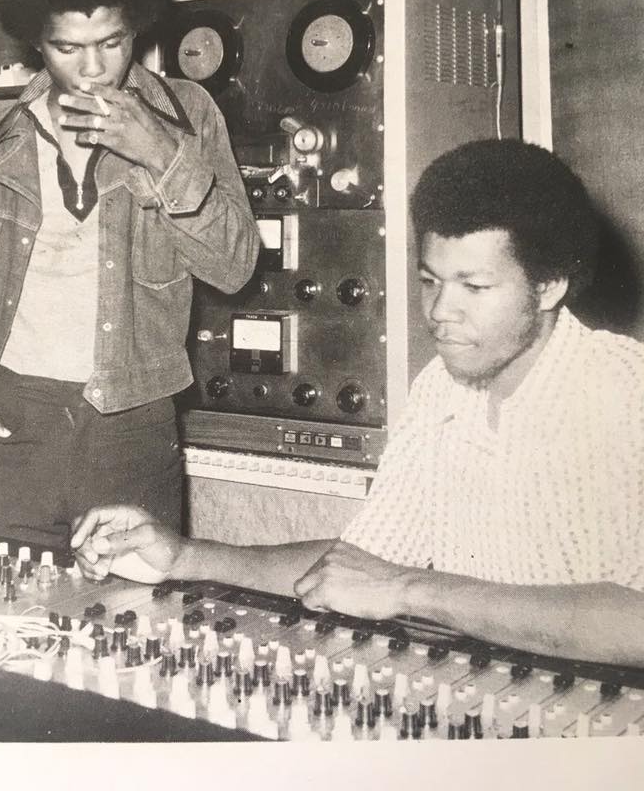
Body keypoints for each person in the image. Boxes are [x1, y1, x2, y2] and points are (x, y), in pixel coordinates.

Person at [72, 138, 644, 668]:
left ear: (549, 286)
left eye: (474, 287)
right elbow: (360, 564)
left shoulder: (625, 392)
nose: (440, 312)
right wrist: (183, 558)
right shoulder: (441, 389)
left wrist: (410, 589)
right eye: (430, 281)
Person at [0, 0, 260, 547]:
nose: (93, 70)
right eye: (67, 48)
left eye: (112, 42)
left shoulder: (188, 115)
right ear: (35, 41)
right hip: (6, 430)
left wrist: (161, 153)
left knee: (134, 607)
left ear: (137, 25)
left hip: (131, 433)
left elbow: (234, 266)